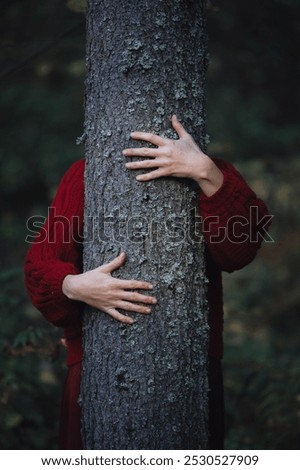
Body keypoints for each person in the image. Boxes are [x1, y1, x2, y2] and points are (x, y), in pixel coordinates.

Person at [24, 115, 271, 449]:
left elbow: (239, 252)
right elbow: (39, 266)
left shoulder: (214, 172)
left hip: (191, 365)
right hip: (95, 362)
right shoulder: (85, 173)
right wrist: (74, 286)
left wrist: (207, 173)